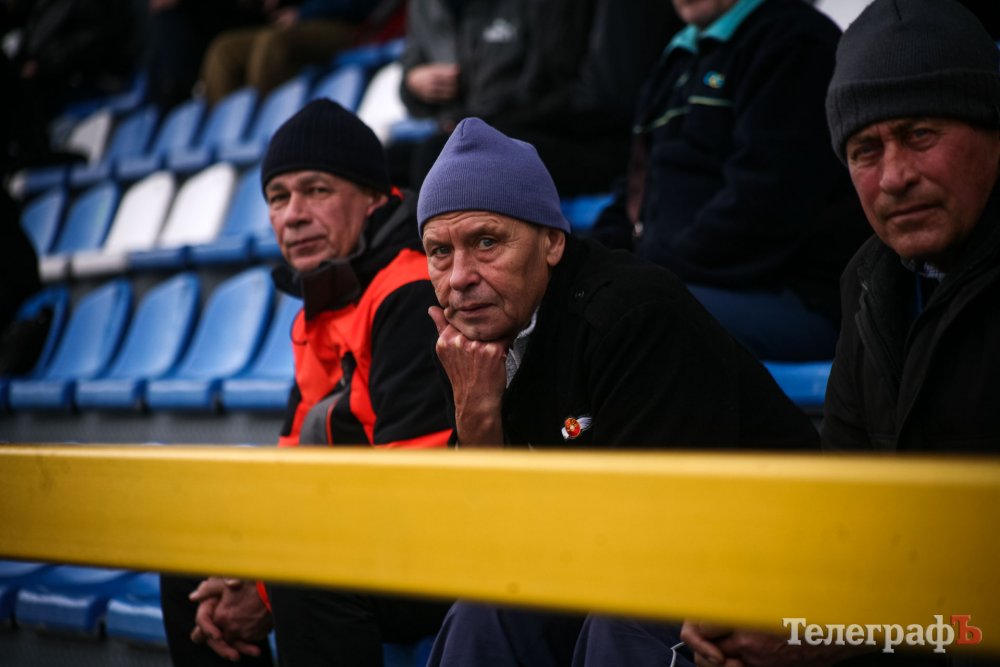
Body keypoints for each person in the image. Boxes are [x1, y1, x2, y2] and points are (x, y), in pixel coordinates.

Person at [415, 116, 820, 666]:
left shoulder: (633, 315)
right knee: (484, 614)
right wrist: (478, 416)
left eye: (486, 242)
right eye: (439, 251)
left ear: (552, 242)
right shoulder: (466, 343)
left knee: (621, 621)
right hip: (599, 561)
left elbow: (648, 537)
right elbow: (483, 551)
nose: (460, 276)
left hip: (755, 559)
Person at [670, 1, 1000, 665]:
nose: (895, 177)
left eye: (921, 134)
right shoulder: (871, 279)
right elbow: (848, 511)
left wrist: (831, 633)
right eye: (865, 151)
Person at [160, 99, 453, 666]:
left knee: (302, 578)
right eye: (278, 197)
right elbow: (294, 463)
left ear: (374, 198)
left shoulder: (411, 292)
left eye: (317, 191)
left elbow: (414, 493)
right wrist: (247, 574)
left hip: (430, 542)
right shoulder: (324, 299)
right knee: (191, 556)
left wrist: (265, 586)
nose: (293, 215)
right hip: (354, 530)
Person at [590, 0, 870, 362]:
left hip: (788, 297)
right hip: (681, 282)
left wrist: (643, 274)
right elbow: (633, 189)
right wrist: (590, 265)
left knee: (624, 316)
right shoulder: (677, 56)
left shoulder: (795, 41)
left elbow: (763, 208)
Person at [389, 0, 680, 195]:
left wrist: (485, 125)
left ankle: (440, 264)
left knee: (443, 157)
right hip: (537, 125)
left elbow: (600, 98)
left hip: (596, 142)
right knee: (388, 162)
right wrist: (417, 87)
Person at [197, 0, 384, 104]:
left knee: (273, 43)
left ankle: (269, 126)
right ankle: (228, 136)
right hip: (295, 24)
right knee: (224, 49)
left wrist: (303, 13)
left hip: (351, 26)